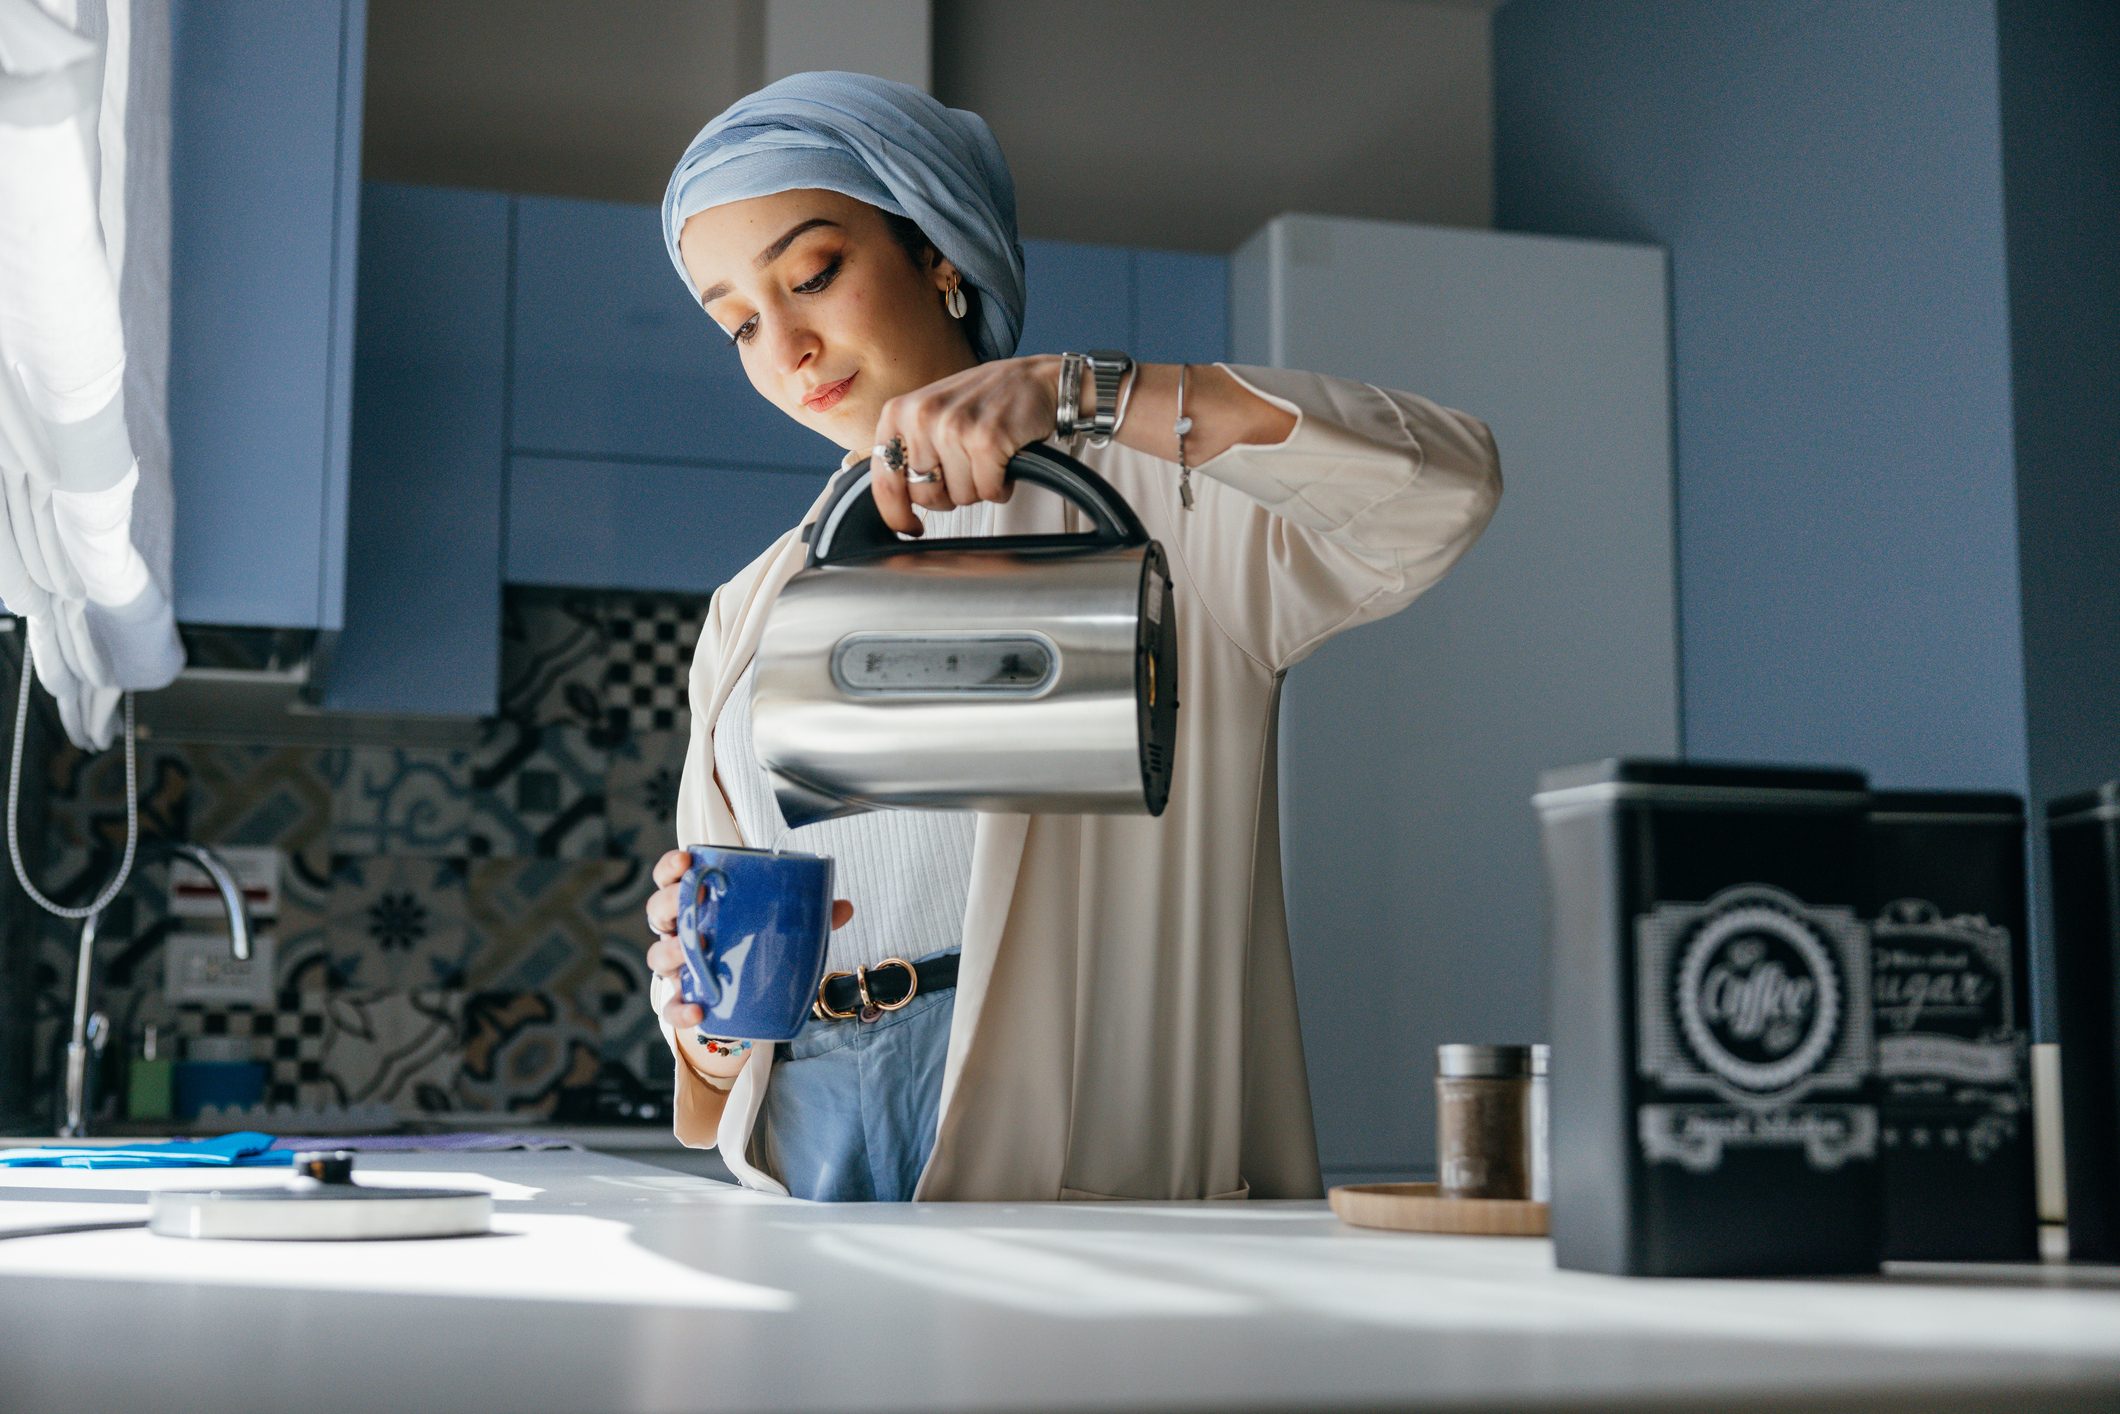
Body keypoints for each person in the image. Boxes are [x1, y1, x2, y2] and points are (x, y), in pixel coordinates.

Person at [642, 70, 1501, 1202]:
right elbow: (712, 1041)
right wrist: (701, 1021)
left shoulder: (1166, 515)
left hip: (1073, 1132)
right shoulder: (751, 604)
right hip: (804, 1137)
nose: (786, 346)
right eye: (741, 322)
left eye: (812, 273)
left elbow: (1436, 487)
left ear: (939, 256)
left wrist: (1084, 393)